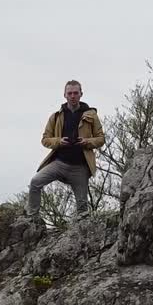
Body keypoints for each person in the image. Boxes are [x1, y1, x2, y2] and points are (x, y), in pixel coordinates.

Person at [27, 80, 105, 219]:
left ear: (81, 94)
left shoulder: (91, 116)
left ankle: (81, 236)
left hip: (80, 167)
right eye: (70, 93)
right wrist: (58, 141)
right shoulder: (56, 116)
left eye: (76, 93)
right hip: (59, 163)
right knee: (35, 182)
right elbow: (45, 139)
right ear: (64, 95)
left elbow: (101, 139)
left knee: (82, 209)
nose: (73, 96)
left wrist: (87, 142)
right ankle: (32, 218)